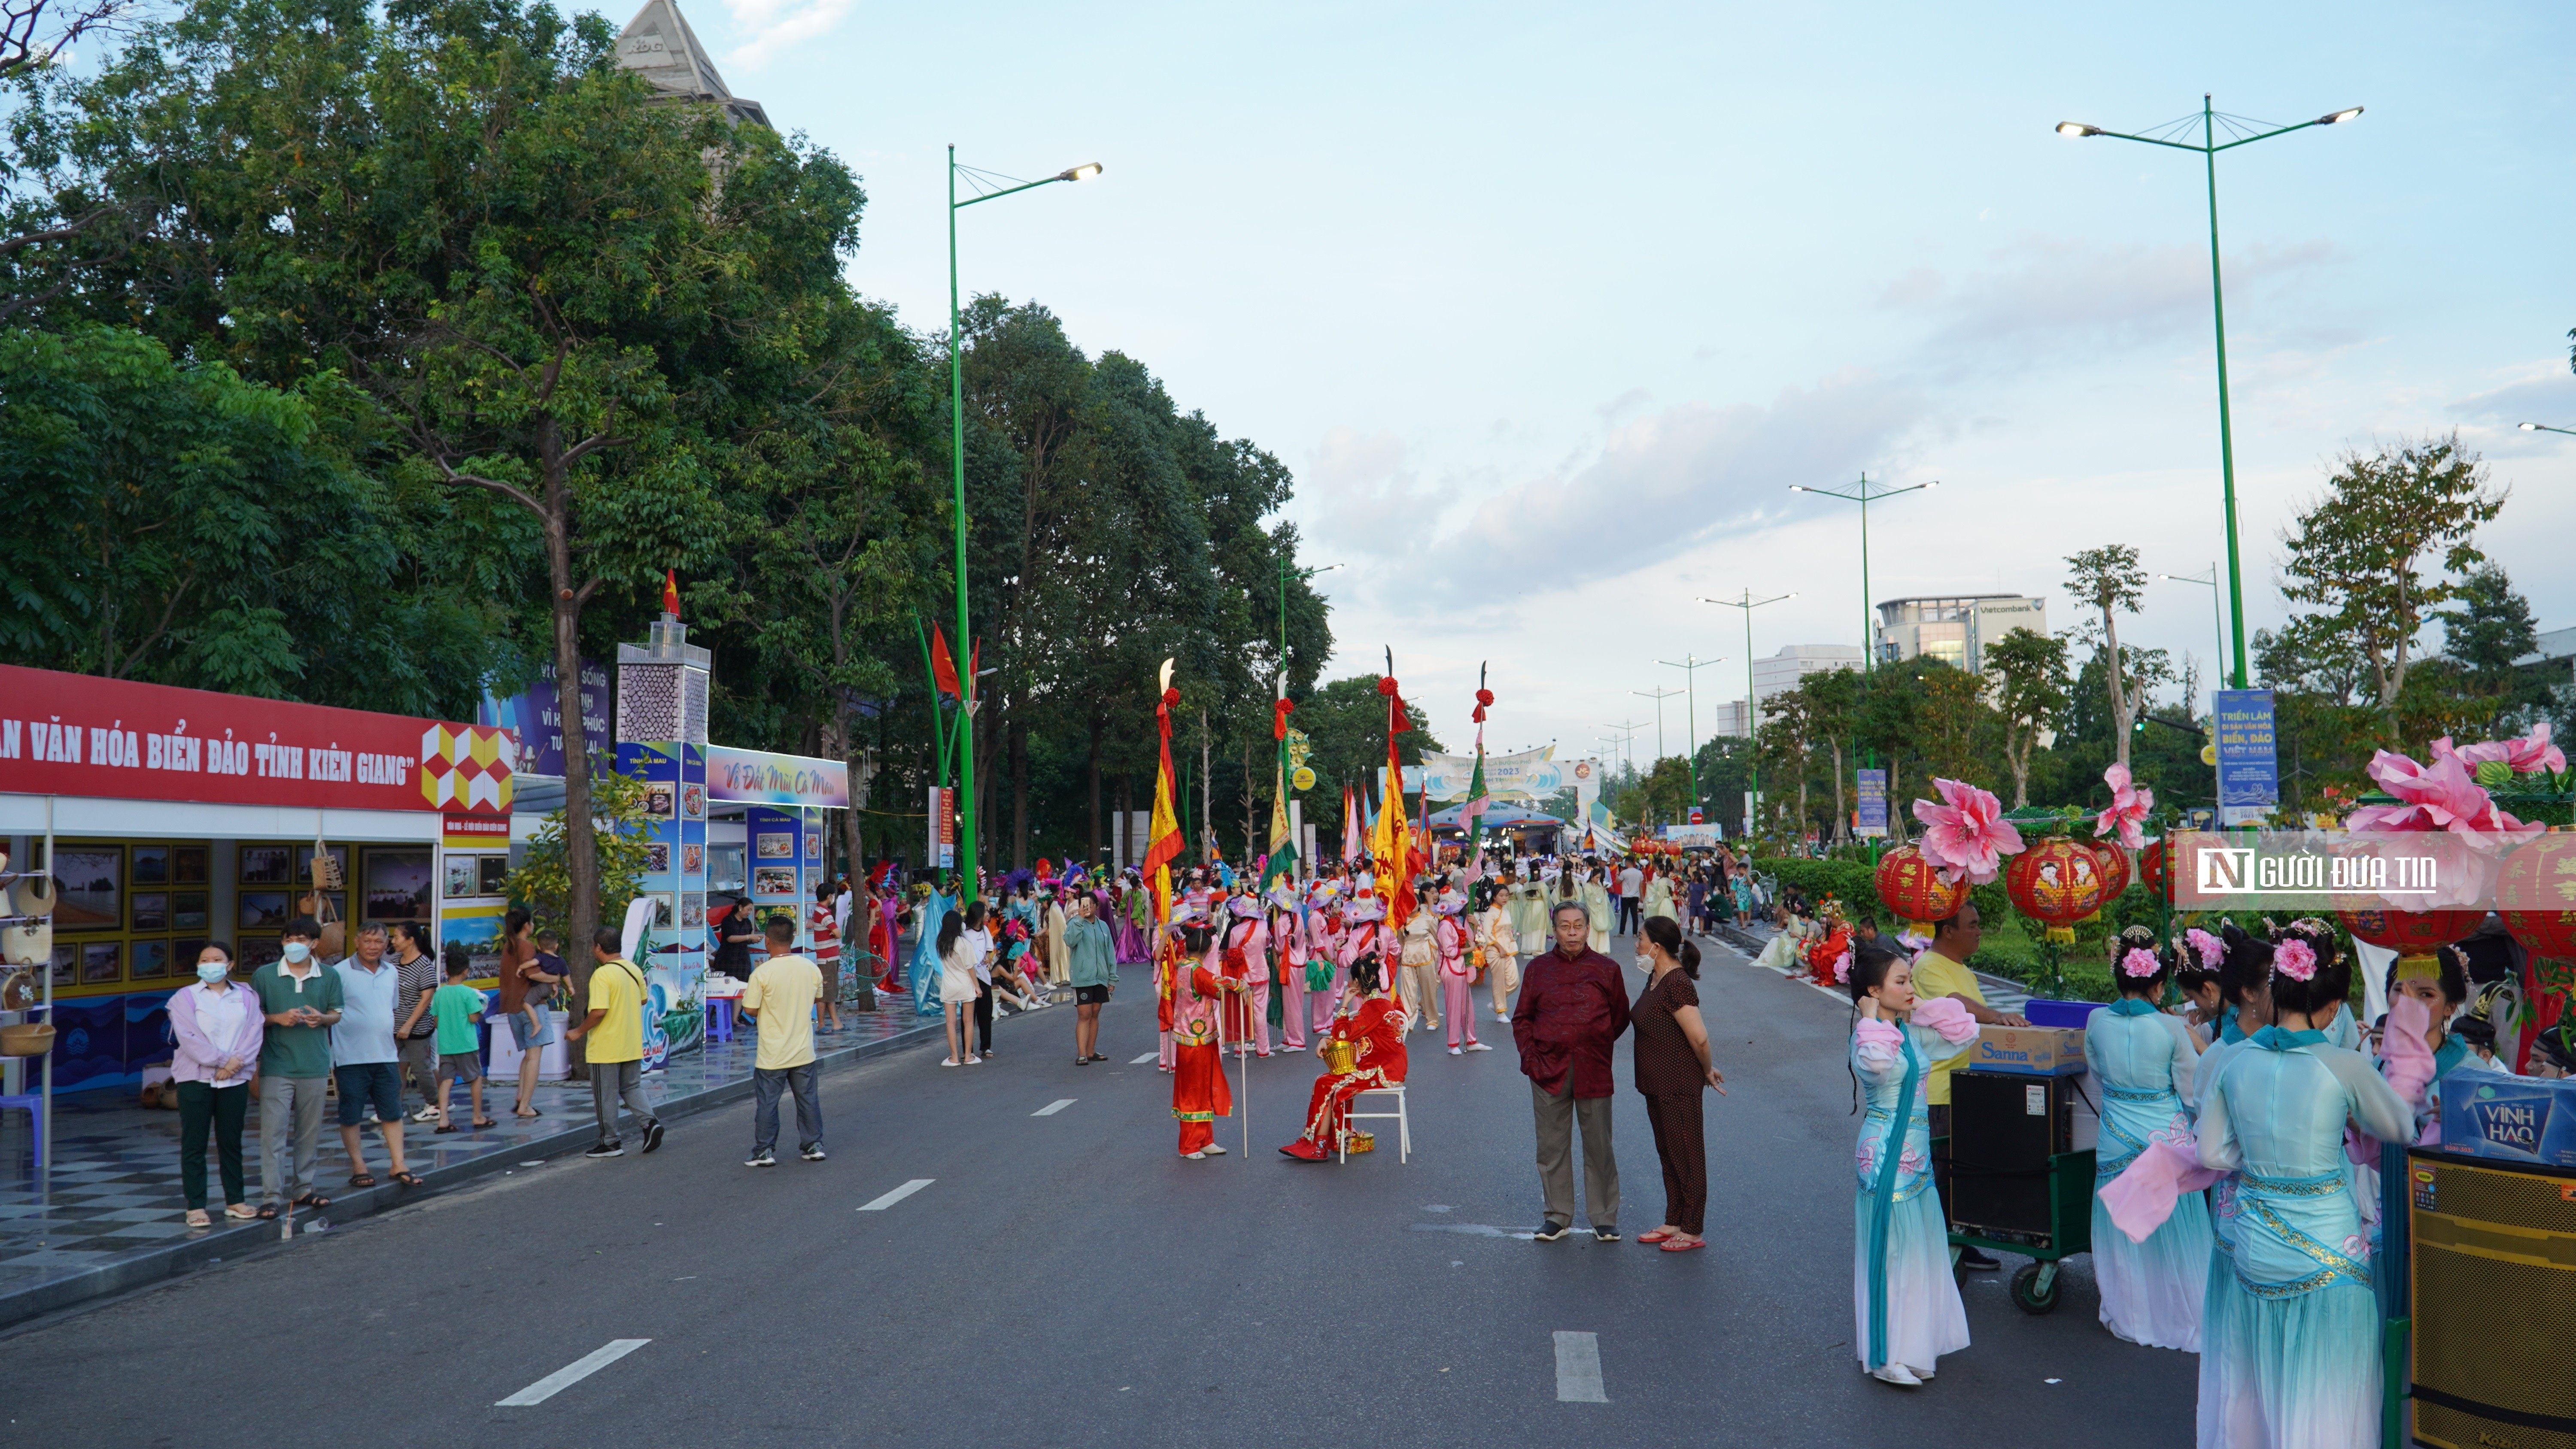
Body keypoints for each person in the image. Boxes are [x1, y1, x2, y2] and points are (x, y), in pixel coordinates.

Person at [2194, 919, 2417, 1446]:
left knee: (2260, 1379)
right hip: (2326, 1253)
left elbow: (2211, 1153)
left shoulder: (2234, 1060)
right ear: (2335, 1005)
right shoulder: (2345, 1064)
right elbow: (2401, 1128)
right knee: (2326, 1390)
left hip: (2254, 1247)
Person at [1848, 937, 1982, 1387]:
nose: (1910, 987)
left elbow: (1964, 1030)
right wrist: (1870, 1018)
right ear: (1872, 989)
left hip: (1917, 1156)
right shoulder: (1868, 1038)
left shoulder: (1909, 1031)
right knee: (1894, 1255)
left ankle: (1913, 1345)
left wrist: (1916, 1001)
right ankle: (1886, 1355)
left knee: (1919, 1253)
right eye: (1901, 981)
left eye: (1910, 978)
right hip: (1886, 1156)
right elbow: (1879, 1064)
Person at [2084, 928, 2212, 1351]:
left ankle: (2130, 1310)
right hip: (2165, 1137)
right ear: (2159, 985)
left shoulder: (2097, 1020)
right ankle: (2182, 1309)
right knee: (2176, 1228)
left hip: (2116, 1135)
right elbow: (2192, 1091)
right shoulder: (2170, 1028)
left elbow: (2098, 1073)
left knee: (2122, 1225)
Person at [1908, 902, 2025, 1271]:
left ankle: (1958, 1242)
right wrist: (1995, 1016)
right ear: (1948, 931)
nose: (1979, 932)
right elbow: (1956, 1005)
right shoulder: (1928, 967)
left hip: (1967, 1085)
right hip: (1941, 1089)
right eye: (1972, 925)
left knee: (1960, 1173)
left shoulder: (1961, 969)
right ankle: (1938, 1249)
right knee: (1941, 1173)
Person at [1513, 899, 1630, 1243]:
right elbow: (1522, 1019)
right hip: (1548, 1069)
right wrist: (1531, 1060)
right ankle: (1558, 1215)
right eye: (1565, 926)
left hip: (1594, 1068)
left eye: (1578, 925)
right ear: (1555, 930)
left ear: (1588, 928)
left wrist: (1597, 1042)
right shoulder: (1538, 970)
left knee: (1599, 1146)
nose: (1572, 932)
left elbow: (1620, 1016)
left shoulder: (1607, 969)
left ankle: (1604, 1216)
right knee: (1551, 1148)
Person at [1631, 917, 1726, 1251]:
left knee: (1687, 1154)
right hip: (1656, 1083)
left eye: (1640, 938)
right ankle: (1674, 1219)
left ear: (1657, 946)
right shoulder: (1655, 979)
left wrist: (1707, 1070)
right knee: (1668, 1153)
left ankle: (1692, 1227)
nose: (1636, 944)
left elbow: (1699, 1038)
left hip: (1678, 1082)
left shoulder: (1678, 983)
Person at [250, 916, 345, 1218]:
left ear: (314, 944)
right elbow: (253, 1016)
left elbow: (337, 1013)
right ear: (282, 942)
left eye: (302, 940)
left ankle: (303, 1188)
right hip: (277, 1064)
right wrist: (278, 1018)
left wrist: (322, 1018)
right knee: (273, 1133)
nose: (295, 945)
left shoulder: (329, 976)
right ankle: (271, 1195)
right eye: (289, 939)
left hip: (315, 1063)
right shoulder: (265, 975)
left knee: (309, 1131)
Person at [1277, 954, 1409, 1161]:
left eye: (1351, 979)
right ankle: (1320, 1143)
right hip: (1385, 1067)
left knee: (1325, 1082)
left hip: (1382, 1071)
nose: (1349, 983)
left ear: (1357, 983)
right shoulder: (1378, 1004)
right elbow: (1349, 1034)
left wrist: (1345, 1004)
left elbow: (1344, 1035)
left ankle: (1317, 1146)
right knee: (1329, 1081)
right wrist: (1327, 1039)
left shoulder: (1373, 1008)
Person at [169, 942, 262, 1226]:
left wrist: (236, 1064)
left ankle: (236, 1200)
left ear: (230, 964)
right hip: (196, 1079)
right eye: (205, 959)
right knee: (194, 1143)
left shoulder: (246, 996)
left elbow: (254, 1031)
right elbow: (189, 1038)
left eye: (217, 959)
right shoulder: (184, 998)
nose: (211, 964)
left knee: (231, 1142)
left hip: (235, 1080)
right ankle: (196, 1206)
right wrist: (224, 1062)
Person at [329, 923, 419, 1191]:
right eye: (367, 941)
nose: (373, 947)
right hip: (350, 1057)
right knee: (351, 1115)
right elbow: (332, 1011)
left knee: (392, 1112)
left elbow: (390, 1008)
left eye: (379, 942)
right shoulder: (340, 972)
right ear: (357, 942)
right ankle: (359, 1166)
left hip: (386, 1055)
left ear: (386, 944)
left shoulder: (391, 971)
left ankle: (398, 1164)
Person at [566, 927, 662, 1158]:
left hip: (606, 1047)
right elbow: (643, 999)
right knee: (631, 1087)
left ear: (599, 947)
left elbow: (599, 1011)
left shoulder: (602, 975)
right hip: (631, 1042)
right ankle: (650, 1124)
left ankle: (610, 1142)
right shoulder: (633, 969)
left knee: (605, 1094)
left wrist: (578, 1031)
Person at [741, 914, 825, 1166]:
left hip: (772, 1053)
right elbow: (816, 998)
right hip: (803, 1050)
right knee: (808, 1099)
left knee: (768, 1103)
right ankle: (813, 1145)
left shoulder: (762, 973)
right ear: (793, 939)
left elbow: (751, 1010)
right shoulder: (811, 968)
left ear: (767, 941)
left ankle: (764, 1151)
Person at [1165, 905, 1236, 1159]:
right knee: (1194, 1090)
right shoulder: (1198, 972)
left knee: (1203, 1087)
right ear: (1208, 951)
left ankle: (1205, 1139)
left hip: (1197, 1037)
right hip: (1194, 1040)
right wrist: (1240, 983)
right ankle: (1189, 1145)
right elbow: (1219, 986)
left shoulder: (1181, 965)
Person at [413, 945, 492, 1133]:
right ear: (467, 972)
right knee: (475, 1078)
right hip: (466, 1043)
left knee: (447, 1080)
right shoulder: (468, 994)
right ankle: (478, 1116)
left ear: (446, 971)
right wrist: (480, 1009)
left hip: (446, 1045)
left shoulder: (439, 994)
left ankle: (444, 1120)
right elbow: (473, 1018)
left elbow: (437, 1022)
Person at [494, 910, 562, 1119]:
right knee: (534, 1058)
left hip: (512, 1008)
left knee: (527, 1055)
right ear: (526, 925)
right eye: (531, 922)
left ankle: (520, 1097)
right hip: (531, 1006)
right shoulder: (527, 946)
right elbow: (532, 973)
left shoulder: (508, 947)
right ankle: (525, 1105)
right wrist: (554, 979)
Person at [387, 921, 443, 1123]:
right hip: (395, 1026)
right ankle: (393, 1107)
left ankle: (435, 1104)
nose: (393, 941)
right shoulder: (394, 962)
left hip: (417, 1028)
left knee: (421, 1068)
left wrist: (409, 1025)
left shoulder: (425, 965)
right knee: (396, 1068)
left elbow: (426, 998)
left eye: (397, 937)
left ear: (410, 941)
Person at [1065, 890, 1117, 1064]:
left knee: (1095, 1013)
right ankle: (1081, 1054)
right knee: (1084, 1014)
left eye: (1090, 904)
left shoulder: (1104, 927)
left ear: (1097, 906)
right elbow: (1070, 941)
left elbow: (1110, 953)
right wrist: (1080, 919)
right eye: (1084, 904)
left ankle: (1091, 1051)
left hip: (1100, 977)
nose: (1087, 908)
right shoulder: (1075, 922)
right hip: (1082, 977)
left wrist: (1112, 978)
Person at [1433, 891, 1487, 1055]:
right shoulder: (1445, 926)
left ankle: (1471, 1040)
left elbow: (1469, 938)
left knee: (1467, 1006)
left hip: (1460, 966)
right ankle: (1453, 1043)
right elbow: (1451, 951)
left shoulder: (1456, 921)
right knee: (1454, 1006)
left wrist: (1475, 925)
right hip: (1451, 968)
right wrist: (1471, 949)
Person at [938, 901, 984, 1067]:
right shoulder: (964, 943)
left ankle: (954, 1057)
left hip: (949, 986)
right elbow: (970, 968)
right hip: (965, 985)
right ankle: (968, 1056)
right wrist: (977, 986)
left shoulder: (941, 943)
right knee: (968, 1021)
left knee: (951, 1022)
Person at [1476, 882, 1520, 1023]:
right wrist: (1499, 947)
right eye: (1501, 896)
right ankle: (1501, 1012)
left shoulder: (1506, 911)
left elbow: (1509, 932)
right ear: (1494, 897)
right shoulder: (1491, 913)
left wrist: (1511, 946)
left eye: (1507, 895)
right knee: (1499, 982)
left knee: (1515, 981)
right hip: (1495, 951)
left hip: (1508, 950)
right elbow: (1488, 934)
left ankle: (1495, 1003)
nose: (1505, 898)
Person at [808, 882, 844, 1032]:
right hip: (827, 957)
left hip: (828, 956)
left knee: (829, 991)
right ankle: (822, 1024)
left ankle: (836, 1022)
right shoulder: (825, 913)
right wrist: (833, 933)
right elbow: (838, 933)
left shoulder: (819, 911)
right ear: (829, 896)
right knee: (826, 991)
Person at [1615, 860, 1643, 936]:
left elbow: (1618, 882)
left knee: (1624, 915)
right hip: (1635, 897)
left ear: (1627, 863)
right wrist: (1642, 897)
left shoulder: (1624, 873)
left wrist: (1617, 875)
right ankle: (1635, 933)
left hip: (1626, 896)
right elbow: (1641, 886)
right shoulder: (1639, 873)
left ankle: (1622, 932)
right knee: (1635, 915)